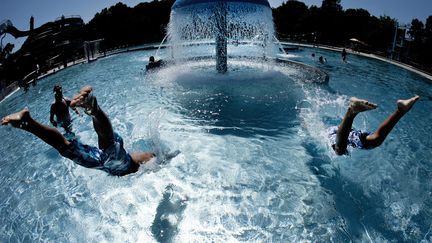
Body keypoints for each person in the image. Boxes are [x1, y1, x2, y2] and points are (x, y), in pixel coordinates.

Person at [1, 85, 156, 176]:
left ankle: (27, 122)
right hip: (122, 166)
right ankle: (94, 109)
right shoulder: (141, 160)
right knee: (107, 143)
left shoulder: (139, 157)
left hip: (106, 166)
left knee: (67, 147)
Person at [328, 95, 420, 155]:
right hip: (341, 132)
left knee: (339, 151)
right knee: (376, 140)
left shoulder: (325, 134)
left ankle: (351, 111)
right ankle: (401, 110)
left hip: (333, 133)